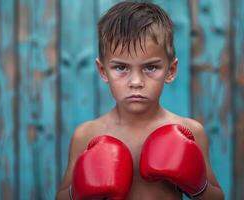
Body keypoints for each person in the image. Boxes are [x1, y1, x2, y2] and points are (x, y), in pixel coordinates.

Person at [56, 1, 224, 199]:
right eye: (121, 68)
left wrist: (199, 186)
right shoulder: (86, 135)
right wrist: (78, 192)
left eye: (150, 67)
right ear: (103, 71)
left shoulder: (189, 132)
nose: (136, 82)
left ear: (170, 71)